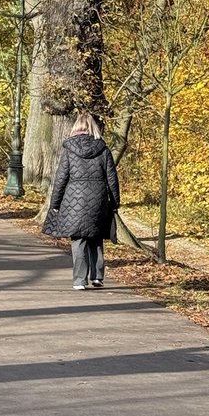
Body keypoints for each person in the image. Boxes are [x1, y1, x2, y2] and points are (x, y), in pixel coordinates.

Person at [44, 112, 120, 290]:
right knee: (96, 237)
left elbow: (61, 178)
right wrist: (115, 202)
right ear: (93, 127)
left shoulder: (69, 150)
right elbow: (112, 179)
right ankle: (97, 277)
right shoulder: (103, 149)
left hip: (73, 199)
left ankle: (79, 280)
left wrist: (55, 203)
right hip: (98, 198)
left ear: (76, 127)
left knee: (78, 239)